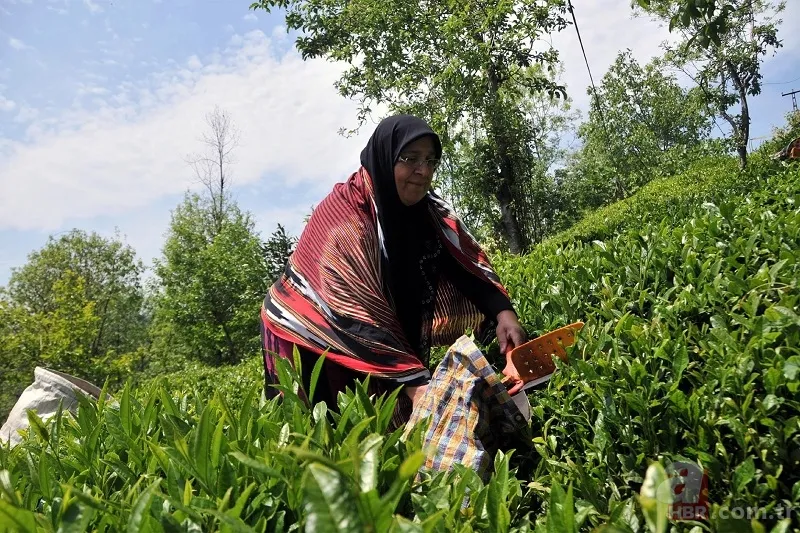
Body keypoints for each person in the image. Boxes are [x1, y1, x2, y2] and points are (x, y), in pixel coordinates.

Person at [260, 114, 527, 429]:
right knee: (333, 428)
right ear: (385, 159)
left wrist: (504, 314)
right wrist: (416, 383)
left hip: (374, 327)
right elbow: (354, 313)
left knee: (400, 410)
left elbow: (460, 263)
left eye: (430, 160)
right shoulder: (345, 219)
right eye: (410, 159)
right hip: (309, 334)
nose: (423, 171)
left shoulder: (424, 211)